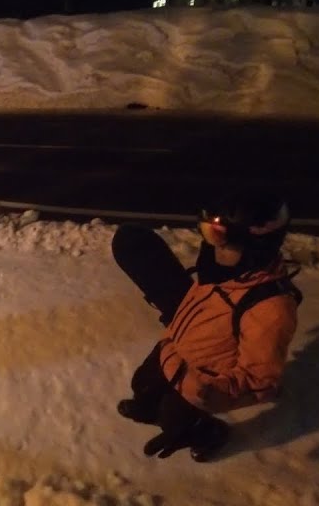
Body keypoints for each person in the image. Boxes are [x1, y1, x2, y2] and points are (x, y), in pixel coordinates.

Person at [111, 191, 300, 462]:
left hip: (205, 380)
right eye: (211, 237)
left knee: (174, 419)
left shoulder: (271, 309)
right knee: (142, 382)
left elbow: (259, 380)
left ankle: (209, 433)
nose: (214, 249)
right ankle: (152, 405)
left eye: (225, 244)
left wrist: (208, 393)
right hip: (177, 348)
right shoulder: (222, 271)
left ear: (255, 249)